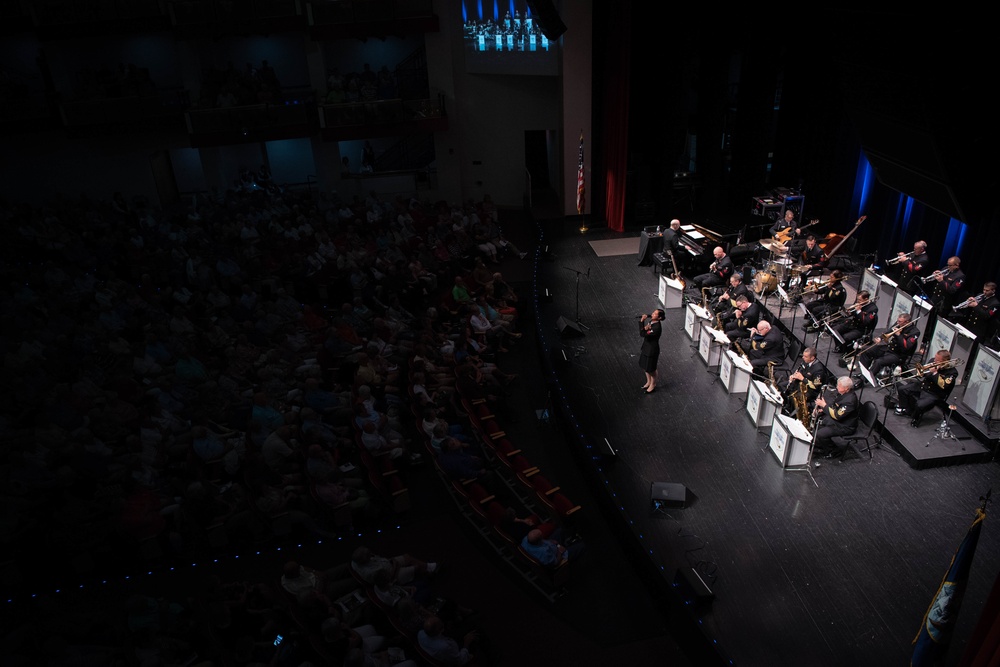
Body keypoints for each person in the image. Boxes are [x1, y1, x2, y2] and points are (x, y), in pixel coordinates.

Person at [895, 349, 959, 427]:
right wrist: (922, 373)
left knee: (920, 405)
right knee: (902, 389)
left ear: (945, 361)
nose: (934, 361)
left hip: (934, 393)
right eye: (935, 358)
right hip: (923, 386)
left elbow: (944, 385)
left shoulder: (952, 372)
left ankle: (916, 418)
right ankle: (905, 409)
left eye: (937, 360)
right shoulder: (933, 361)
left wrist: (935, 373)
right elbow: (923, 374)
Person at [859, 313, 920, 378]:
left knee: (879, 362)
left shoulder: (915, 332)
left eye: (900, 321)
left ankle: (864, 379)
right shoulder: (898, 324)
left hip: (898, 355)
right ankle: (863, 373)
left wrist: (899, 335)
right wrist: (880, 338)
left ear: (907, 322)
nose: (897, 322)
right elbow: (889, 331)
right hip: (889, 348)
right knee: (866, 350)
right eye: (897, 320)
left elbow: (906, 346)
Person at [812, 376, 859, 459]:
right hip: (841, 420)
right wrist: (824, 409)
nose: (837, 387)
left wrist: (824, 405)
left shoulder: (850, 401)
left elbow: (837, 416)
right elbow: (835, 405)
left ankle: (833, 451)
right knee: (820, 421)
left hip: (845, 426)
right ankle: (822, 445)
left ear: (846, 388)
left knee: (821, 434)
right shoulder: (843, 393)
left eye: (839, 386)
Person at [784, 347, 829, 412]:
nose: (803, 357)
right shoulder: (805, 362)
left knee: (794, 398)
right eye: (803, 355)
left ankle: (792, 412)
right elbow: (801, 372)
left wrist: (802, 378)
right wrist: (794, 376)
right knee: (783, 386)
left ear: (812, 358)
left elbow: (815, 386)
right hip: (801, 384)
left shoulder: (819, 370)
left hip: (810, 391)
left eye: (805, 356)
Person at [520, 527, 585, 566]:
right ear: (539, 541)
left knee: (560, 530)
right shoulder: (544, 552)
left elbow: (542, 541)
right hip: (559, 555)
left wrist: (550, 541)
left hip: (551, 546)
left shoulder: (526, 539)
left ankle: (569, 542)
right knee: (582, 545)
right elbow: (556, 562)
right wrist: (560, 551)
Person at [639, 309, 663, 394]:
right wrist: (645, 328)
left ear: (659, 318)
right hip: (646, 348)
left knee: (651, 369)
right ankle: (648, 382)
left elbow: (643, 334)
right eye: (653, 313)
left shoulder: (656, 328)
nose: (652, 314)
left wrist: (642, 322)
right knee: (646, 367)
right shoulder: (651, 322)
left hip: (651, 350)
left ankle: (653, 384)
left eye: (655, 314)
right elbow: (645, 331)